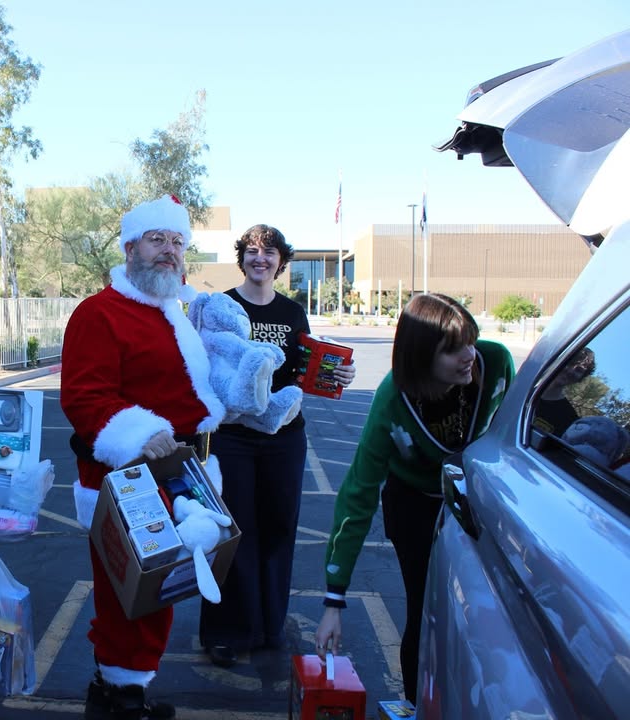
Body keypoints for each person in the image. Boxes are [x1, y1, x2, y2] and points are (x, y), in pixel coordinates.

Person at [60, 194, 226, 720]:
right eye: (157, 239)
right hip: (129, 480)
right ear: (130, 247)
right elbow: (85, 398)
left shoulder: (174, 311)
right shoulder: (98, 313)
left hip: (182, 477)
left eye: (177, 241)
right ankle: (119, 697)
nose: (169, 250)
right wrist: (140, 433)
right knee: (128, 598)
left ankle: (121, 688)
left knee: (158, 594)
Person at [313, 293, 515, 704]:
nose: (469, 355)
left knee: (484, 618)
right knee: (426, 611)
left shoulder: (495, 363)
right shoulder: (393, 399)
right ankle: (415, 703)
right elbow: (358, 494)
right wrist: (334, 599)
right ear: (421, 356)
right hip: (414, 503)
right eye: (453, 349)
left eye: (471, 340)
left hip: (473, 499)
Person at [198, 224, 355, 668]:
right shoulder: (223, 306)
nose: (260, 258)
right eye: (252, 250)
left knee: (279, 529)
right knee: (233, 532)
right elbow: (204, 365)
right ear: (242, 258)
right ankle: (227, 632)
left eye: (269, 252)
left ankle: (269, 626)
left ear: (281, 262)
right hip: (233, 437)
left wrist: (338, 374)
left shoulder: (292, 312)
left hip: (284, 438)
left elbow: (305, 371)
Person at [533, 346, 595, 436]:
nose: (570, 371)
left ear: (580, 378)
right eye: (569, 363)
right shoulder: (526, 388)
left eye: (579, 370)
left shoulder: (569, 418)